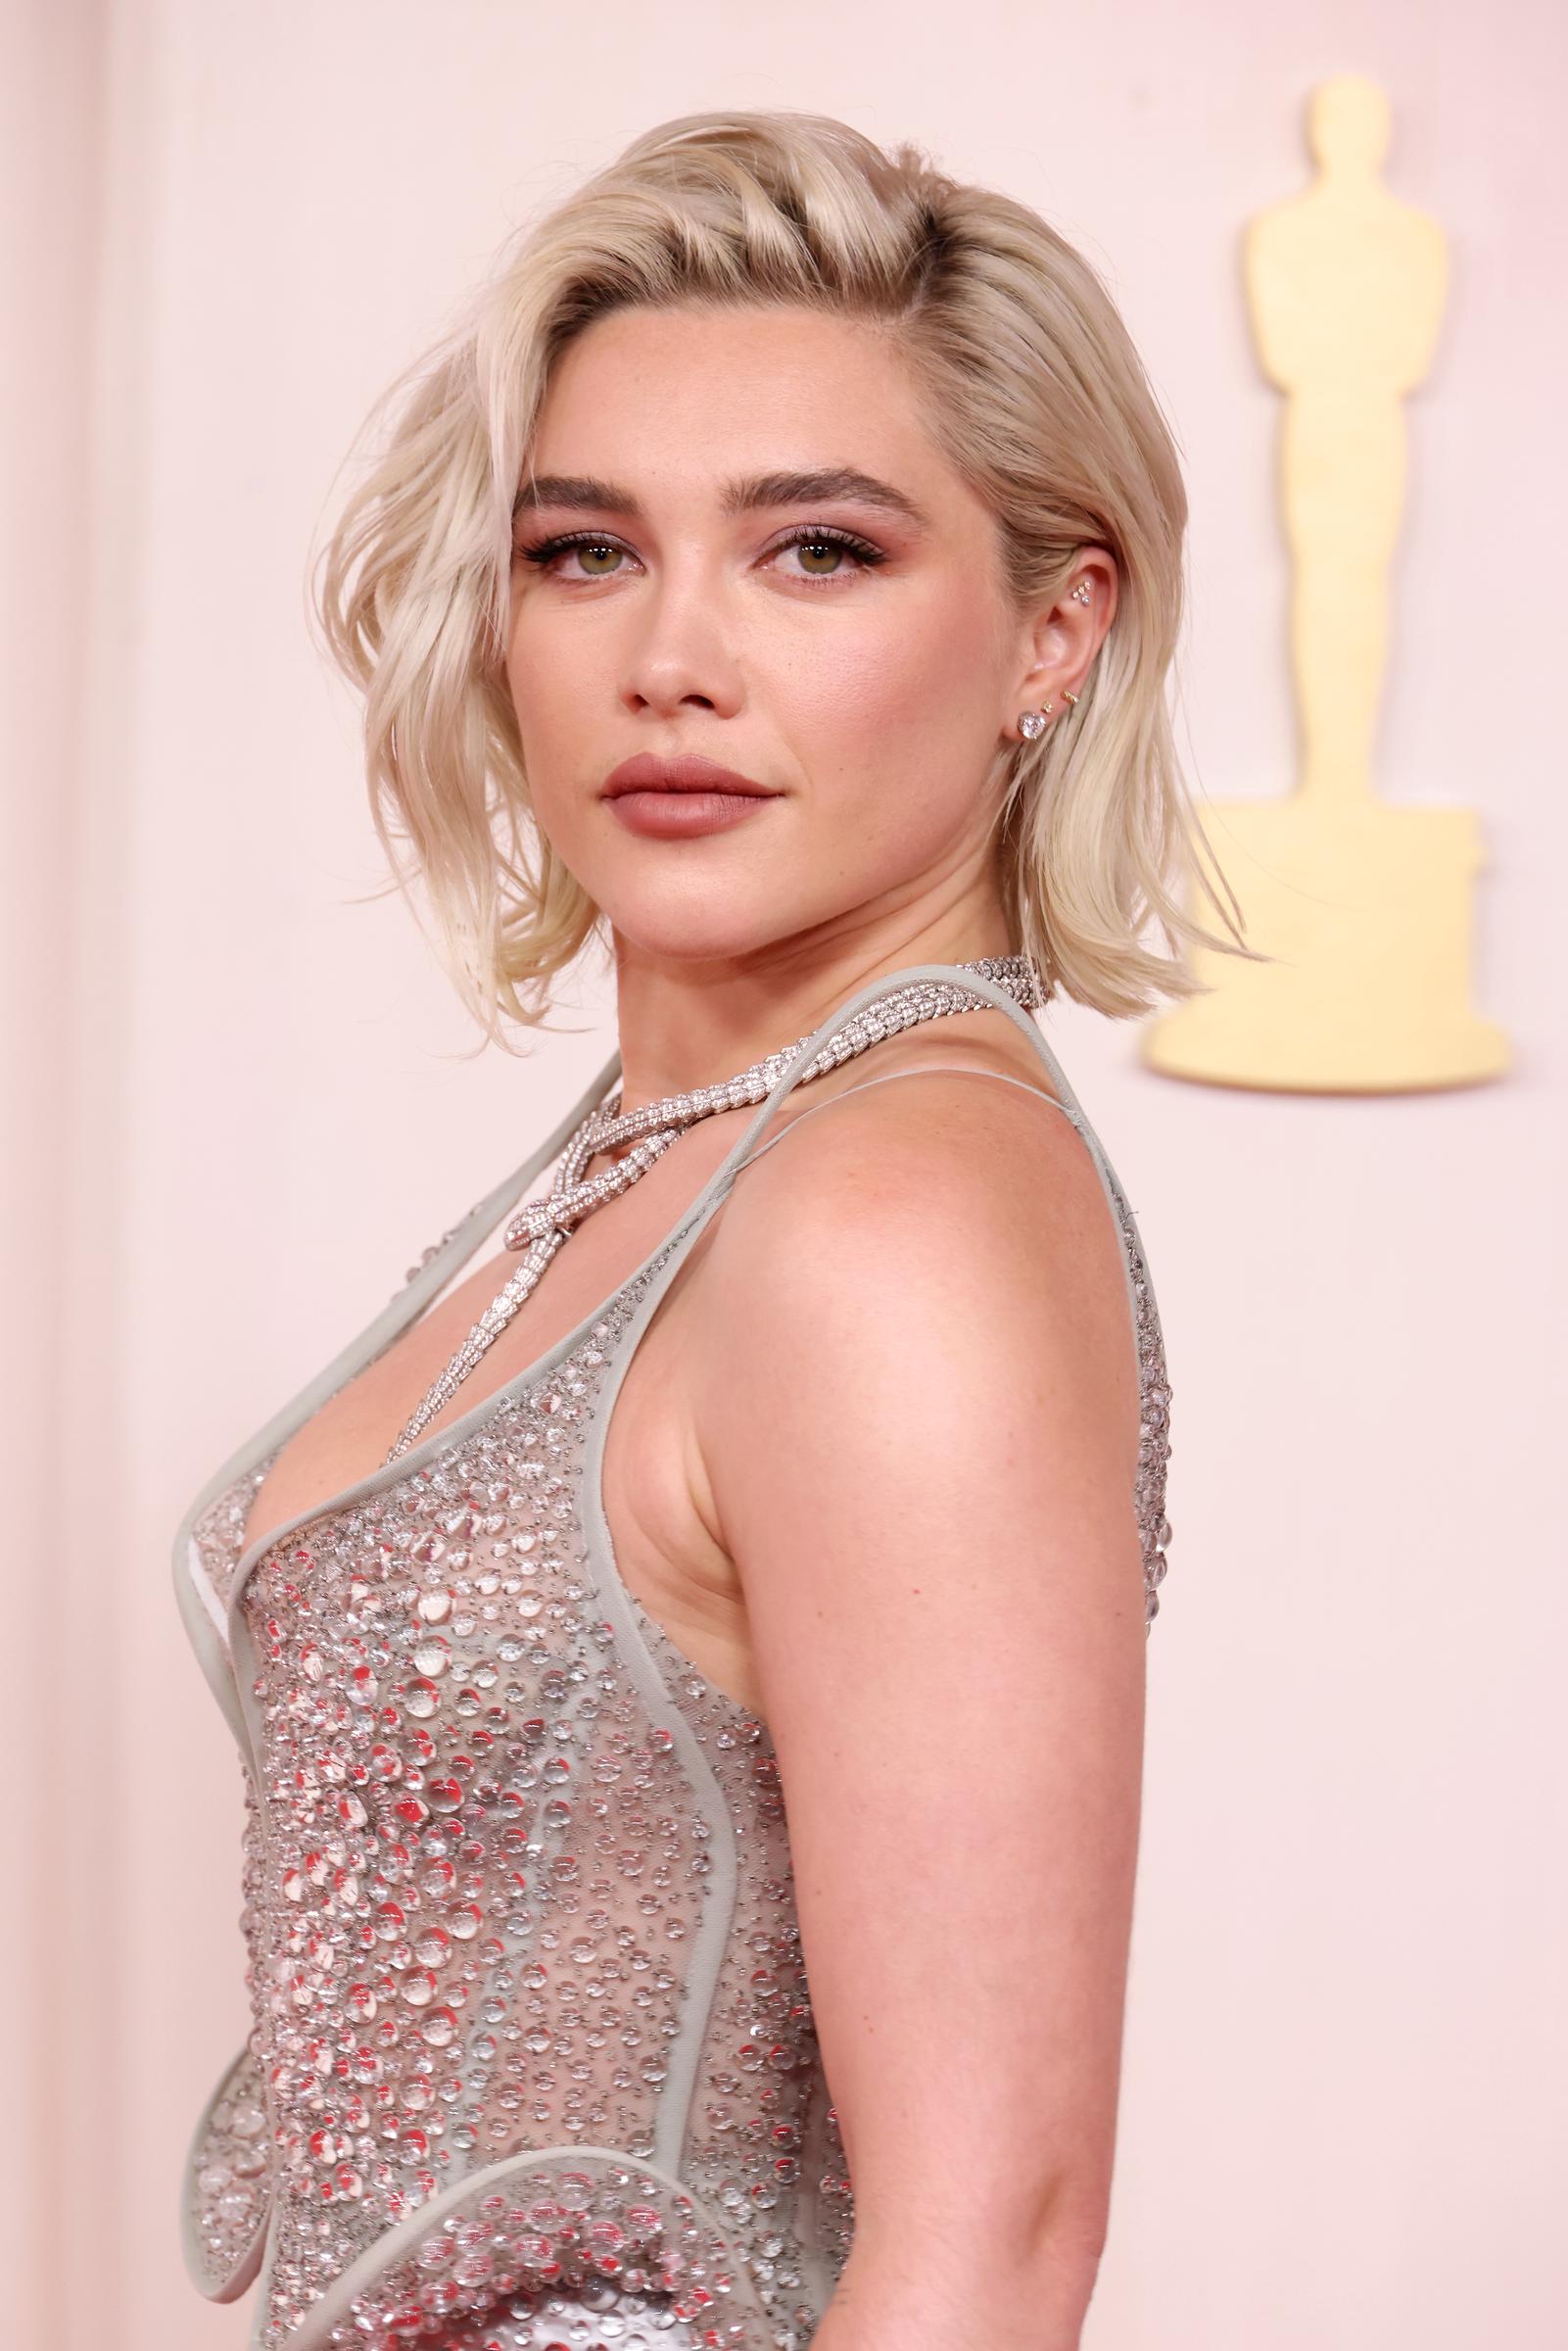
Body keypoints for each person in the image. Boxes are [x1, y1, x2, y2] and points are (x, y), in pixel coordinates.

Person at [172, 109, 1245, 2351]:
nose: (670, 659)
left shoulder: (897, 1206)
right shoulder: (684, 1143)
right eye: (583, 552)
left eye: (818, 553)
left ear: (1057, 627)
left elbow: (994, 2229)